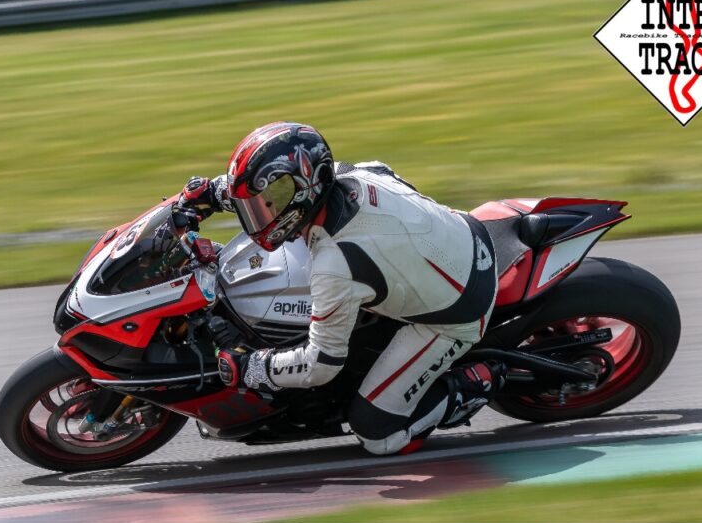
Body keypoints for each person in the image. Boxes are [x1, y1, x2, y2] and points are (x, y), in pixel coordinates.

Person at [177, 122, 506, 455]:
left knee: (378, 434)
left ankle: (471, 384)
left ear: (304, 192)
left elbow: (321, 364)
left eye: (269, 201)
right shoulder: (349, 174)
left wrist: (252, 368)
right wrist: (213, 193)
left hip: (459, 310)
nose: (259, 214)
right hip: (461, 233)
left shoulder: (334, 264)